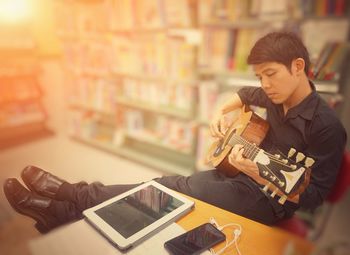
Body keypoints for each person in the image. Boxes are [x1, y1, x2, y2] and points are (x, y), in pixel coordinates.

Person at [3, 31, 347, 234]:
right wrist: (218, 113)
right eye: (260, 77)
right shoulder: (274, 94)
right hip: (240, 175)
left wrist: (259, 173)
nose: (264, 85)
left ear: (298, 67)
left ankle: (71, 199)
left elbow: (313, 197)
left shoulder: (327, 128)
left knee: (171, 190)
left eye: (270, 74)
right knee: (169, 194)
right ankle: (63, 209)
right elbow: (241, 95)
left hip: (269, 202)